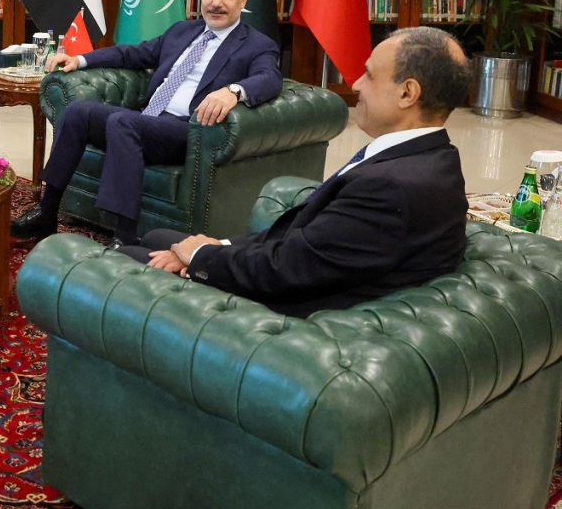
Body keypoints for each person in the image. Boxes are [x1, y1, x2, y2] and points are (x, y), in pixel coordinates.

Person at [124, 26, 474, 318]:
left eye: (369, 75)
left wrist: (202, 257)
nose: (356, 85)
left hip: (283, 314)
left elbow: (287, 270)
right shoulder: (436, 158)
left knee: (125, 262)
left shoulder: (388, 188)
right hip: (301, 274)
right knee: (158, 238)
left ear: (407, 93)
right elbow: (308, 245)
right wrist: (220, 245)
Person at [12, 0, 283, 248]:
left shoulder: (256, 44)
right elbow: (133, 54)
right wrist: (80, 60)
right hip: (148, 120)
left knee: (123, 122)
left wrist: (234, 91)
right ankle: (47, 211)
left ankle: (125, 236)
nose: (216, 3)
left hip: (187, 131)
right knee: (79, 111)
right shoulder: (182, 31)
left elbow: (270, 78)